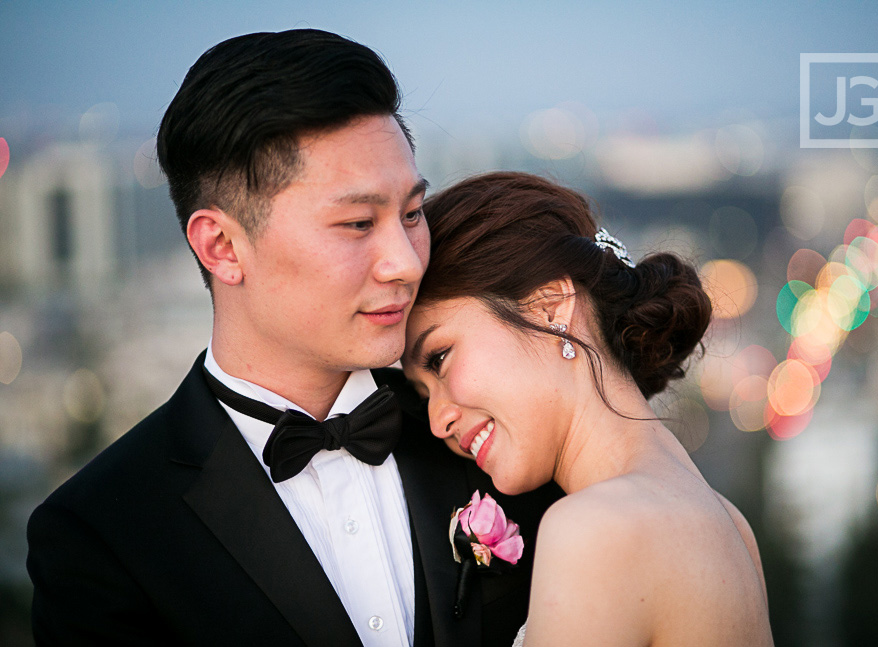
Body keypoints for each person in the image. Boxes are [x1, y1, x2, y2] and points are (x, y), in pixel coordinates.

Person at [26, 31, 557, 647]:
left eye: (412, 214)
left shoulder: (484, 430)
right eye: (358, 223)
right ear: (221, 247)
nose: (406, 263)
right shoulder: (103, 534)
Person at [403, 172, 775, 646]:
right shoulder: (731, 528)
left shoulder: (595, 529)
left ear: (550, 306)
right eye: (422, 393)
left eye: (439, 358)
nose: (438, 421)